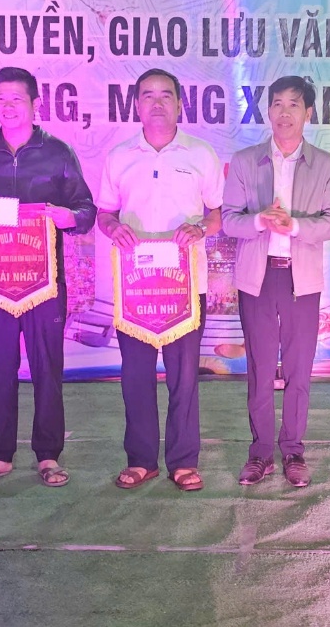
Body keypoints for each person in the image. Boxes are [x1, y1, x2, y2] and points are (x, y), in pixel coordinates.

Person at [0, 66, 96, 488]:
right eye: (1, 99)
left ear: (35, 104)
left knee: (47, 368)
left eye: (16, 99)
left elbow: (86, 210)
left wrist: (69, 217)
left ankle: (48, 455)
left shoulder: (58, 153)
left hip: (44, 282)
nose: (7, 106)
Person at [95, 68, 223, 492]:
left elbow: (217, 213)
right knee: (136, 376)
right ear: (136, 105)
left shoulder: (201, 154)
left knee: (184, 378)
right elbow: (104, 213)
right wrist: (113, 228)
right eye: (147, 95)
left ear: (179, 104)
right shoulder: (119, 156)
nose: (156, 103)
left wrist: (200, 228)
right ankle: (141, 460)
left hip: (185, 286)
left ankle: (183, 462)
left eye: (165, 95)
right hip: (135, 288)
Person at [221, 76, 330, 487]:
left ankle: (293, 450)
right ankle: (259, 453)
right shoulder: (246, 161)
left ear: (308, 113)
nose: (284, 113)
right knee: (259, 368)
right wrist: (260, 220)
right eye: (277, 104)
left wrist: (294, 226)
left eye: (294, 105)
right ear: (268, 111)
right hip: (258, 279)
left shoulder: (326, 164)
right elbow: (229, 220)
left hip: (301, 278)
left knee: (298, 368)